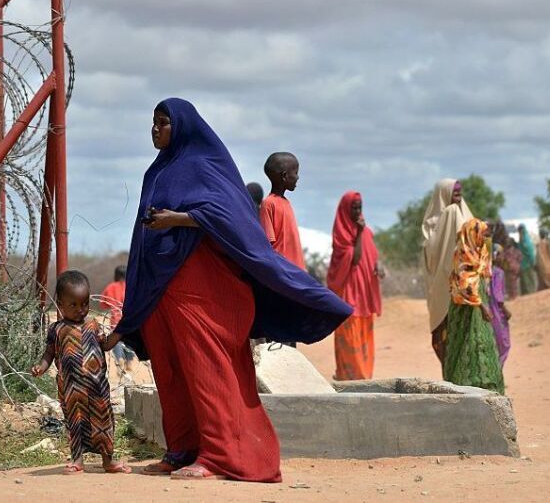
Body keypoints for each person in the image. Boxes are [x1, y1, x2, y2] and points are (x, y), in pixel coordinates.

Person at [100, 98, 351, 482]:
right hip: (163, 291)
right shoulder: (158, 172)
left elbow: (230, 217)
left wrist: (179, 219)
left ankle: (222, 458)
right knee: (171, 373)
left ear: (181, 127)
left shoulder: (206, 165)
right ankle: (183, 450)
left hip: (202, 293)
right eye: (152, 123)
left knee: (207, 371)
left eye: (163, 123)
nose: (155, 130)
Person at [31, 270, 130, 475]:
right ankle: (77, 460)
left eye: (84, 304)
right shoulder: (56, 329)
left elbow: (106, 344)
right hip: (71, 390)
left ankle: (107, 461)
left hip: (97, 387)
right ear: (60, 304)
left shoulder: (93, 325)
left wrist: (120, 331)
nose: (80, 310)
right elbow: (49, 353)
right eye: (73, 305)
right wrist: (41, 367)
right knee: (74, 423)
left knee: (103, 422)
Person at [327, 191, 383, 380]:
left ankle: (365, 379)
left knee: (365, 340)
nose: (358, 212)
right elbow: (355, 259)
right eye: (354, 207)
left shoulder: (366, 232)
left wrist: (379, 266)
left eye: (360, 207)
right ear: (345, 209)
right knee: (350, 340)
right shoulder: (341, 235)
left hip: (364, 296)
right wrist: (358, 233)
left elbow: (372, 255)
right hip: (348, 296)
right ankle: (350, 380)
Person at [444, 219, 504, 394]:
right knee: (466, 344)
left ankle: (486, 382)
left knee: (481, 343)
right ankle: (462, 385)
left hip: (479, 305)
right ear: (472, 235)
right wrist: (483, 307)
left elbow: (485, 273)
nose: (484, 240)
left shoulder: (480, 253)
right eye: (482, 235)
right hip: (465, 309)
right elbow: (464, 285)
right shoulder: (461, 254)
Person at [421, 179, 474, 372]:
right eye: (454, 193)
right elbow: (433, 259)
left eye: (460, 193)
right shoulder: (432, 225)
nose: (458, 197)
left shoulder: (465, 216)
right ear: (444, 194)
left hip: (463, 288)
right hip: (442, 290)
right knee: (447, 338)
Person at [259, 152, 305, 270]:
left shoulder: (286, 203)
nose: (298, 177)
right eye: (295, 173)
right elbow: (268, 244)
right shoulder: (268, 204)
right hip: (283, 271)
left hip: (296, 270)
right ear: (284, 176)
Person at [99, 265, 135, 372]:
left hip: (115, 319)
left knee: (116, 342)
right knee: (130, 341)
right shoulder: (131, 286)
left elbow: (103, 304)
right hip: (129, 319)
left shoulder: (111, 287)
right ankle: (129, 361)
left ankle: (119, 359)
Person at [489, 244, 512, 366]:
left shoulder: (484, 271)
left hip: (487, 311)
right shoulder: (498, 273)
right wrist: (506, 311)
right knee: (503, 344)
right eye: (501, 254)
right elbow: (498, 297)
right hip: (496, 312)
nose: (503, 257)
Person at [517, 224, 537, 295]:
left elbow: (530, 253)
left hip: (527, 265)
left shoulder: (525, 241)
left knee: (528, 284)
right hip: (523, 265)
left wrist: (532, 262)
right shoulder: (523, 239)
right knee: (525, 284)